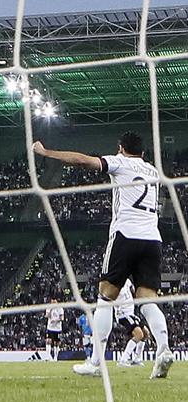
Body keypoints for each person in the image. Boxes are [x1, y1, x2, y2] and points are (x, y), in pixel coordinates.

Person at [34, 132, 173, 379]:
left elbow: (83, 160)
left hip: (125, 236)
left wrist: (47, 153)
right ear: (142, 152)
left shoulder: (119, 162)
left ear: (121, 148)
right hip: (153, 238)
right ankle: (164, 350)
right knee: (148, 300)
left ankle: (96, 363)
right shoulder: (152, 171)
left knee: (105, 298)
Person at [113, 280, 148, 368]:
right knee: (139, 335)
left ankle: (137, 359)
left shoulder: (127, 281)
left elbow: (133, 290)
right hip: (123, 315)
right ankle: (123, 360)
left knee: (146, 333)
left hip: (131, 313)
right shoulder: (115, 284)